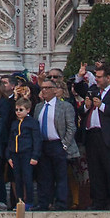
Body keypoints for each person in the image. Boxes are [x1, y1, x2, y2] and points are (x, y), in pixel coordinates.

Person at [78, 61, 110, 210]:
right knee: (95, 171)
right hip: (92, 135)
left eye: (99, 77)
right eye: (96, 77)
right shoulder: (93, 90)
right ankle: (98, 201)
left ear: (108, 78)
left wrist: (102, 106)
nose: (97, 80)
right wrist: (86, 106)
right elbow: (79, 91)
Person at [34, 78, 75, 209]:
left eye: (47, 88)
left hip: (58, 143)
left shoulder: (65, 106)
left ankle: (61, 202)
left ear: (54, 90)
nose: (44, 91)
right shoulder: (38, 107)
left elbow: (71, 127)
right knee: (44, 176)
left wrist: (64, 144)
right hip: (43, 144)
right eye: (42, 88)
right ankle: (44, 202)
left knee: (61, 175)